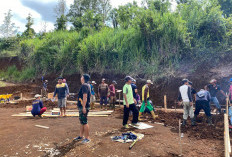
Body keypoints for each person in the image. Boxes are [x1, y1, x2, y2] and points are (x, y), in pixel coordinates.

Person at [74, 74, 91, 144]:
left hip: (84, 106)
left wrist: (84, 107)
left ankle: (87, 138)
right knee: (82, 121)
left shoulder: (84, 85)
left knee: (85, 122)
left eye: (81, 77)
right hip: (82, 106)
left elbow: (85, 96)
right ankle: (81, 136)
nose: (80, 78)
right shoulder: (87, 85)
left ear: (83, 78)